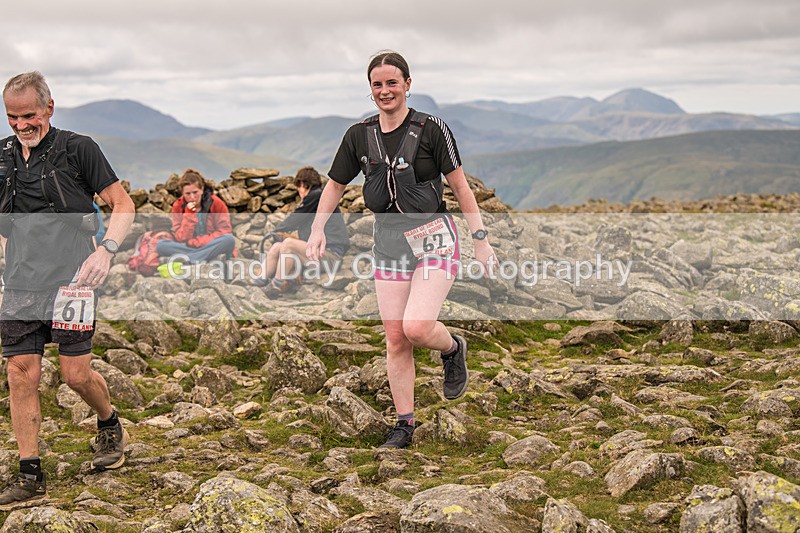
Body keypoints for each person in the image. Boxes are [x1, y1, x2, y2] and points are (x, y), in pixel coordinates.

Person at [306, 51, 495, 449]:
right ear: (370, 89)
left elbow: (460, 187)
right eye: (377, 84)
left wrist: (481, 240)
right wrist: (318, 228)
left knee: (417, 327)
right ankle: (404, 424)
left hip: (434, 238)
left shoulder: (431, 129)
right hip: (388, 243)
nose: (385, 90)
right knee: (395, 338)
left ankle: (453, 347)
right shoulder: (359, 134)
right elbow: (336, 184)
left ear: (408, 84)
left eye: (392, 82)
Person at [0, 71, 135, 509]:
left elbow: (122, 204)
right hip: (20, 284)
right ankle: (30, 473)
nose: (22, 125)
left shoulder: (79, 149)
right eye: (12, 117)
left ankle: (109, 421)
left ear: (50, 108)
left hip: (75, 282)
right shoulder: (2, 158)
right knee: (21, 372)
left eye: (30, 116)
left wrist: (106, 252)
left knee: (75, 376)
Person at [257, 166, 350, 296]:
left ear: (302, 184)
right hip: (319, 255)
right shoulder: (317, 200)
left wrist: (277, 231)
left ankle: (276, 285)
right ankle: (258, 282)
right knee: (278, 247)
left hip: (331, 256)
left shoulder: (316, 195)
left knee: (288, 244)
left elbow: (296, 218)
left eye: (298, 186)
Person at [156, 168, 235, 264]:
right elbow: (180, 238)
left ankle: (191, 258)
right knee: (161, 245)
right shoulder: (178, 206)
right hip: (189, 246)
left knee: (228, 239)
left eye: (195, 192)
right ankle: (198, 257)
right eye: (188, 194)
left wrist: (198, 242)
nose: (192, 197)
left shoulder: (216, 203)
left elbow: (224, 231)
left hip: (210, 244)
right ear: (182, 193)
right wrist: (189, 214)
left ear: (202, 189)